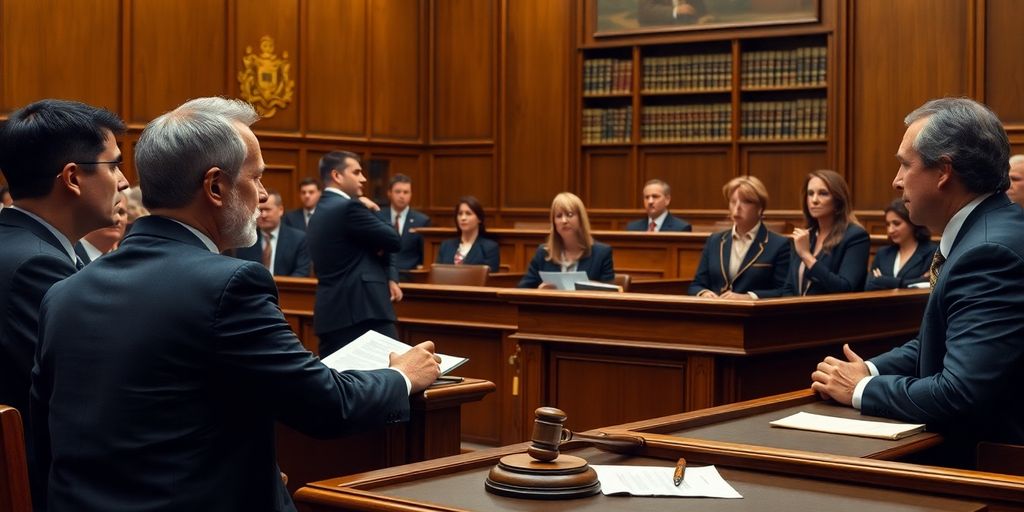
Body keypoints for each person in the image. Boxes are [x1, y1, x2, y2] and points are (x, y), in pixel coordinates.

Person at [30, 97, 441, 512]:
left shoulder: (64, 293)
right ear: (215, 186)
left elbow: (45, 440)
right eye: (257, 178)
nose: (262, 195)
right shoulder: (228, 285)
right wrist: (401, 376)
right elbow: (326, 404)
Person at [811, 97, 1024, 461]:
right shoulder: (991, 230)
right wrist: (871, 368)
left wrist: (863, 388)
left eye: (905, 166)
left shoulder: (988, 252)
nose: (896, 182)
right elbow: (942, 340)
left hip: (988, 467)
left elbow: (959, 393)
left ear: (943, 172)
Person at [0, 99, 129, 508]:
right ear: (72, 178)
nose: (125, 182)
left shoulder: (24, 246)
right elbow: (87, 398)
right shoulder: (34, 266)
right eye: (114, 165)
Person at [307, 151, 403, 356]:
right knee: (401, 375)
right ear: (337, 176)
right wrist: (373, 210)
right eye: (357, 172)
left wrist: (389, 275)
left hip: (332, 313)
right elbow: (393, 240)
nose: (363, 178)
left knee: (339, 383)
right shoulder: (350, 207)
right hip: (364, 311)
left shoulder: (318, 211)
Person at [689, 176, 790, 299]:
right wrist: (704, 293)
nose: (737, 207)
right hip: (716, 312)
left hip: (755, 315)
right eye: (733, 201)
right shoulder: (715, 241)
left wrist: (748, 297)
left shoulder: (778, 244)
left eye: (746, 202)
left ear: (760, 208)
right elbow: (696, 285)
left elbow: (784, 291)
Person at [784, 169, 869, 295]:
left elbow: (845, 288)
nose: (814, 200)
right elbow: (789, 287)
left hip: (833, 313)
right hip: (797, 312)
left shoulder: (856, 236)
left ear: (838, 201)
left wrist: (807, 256)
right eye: (810, 193)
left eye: (823, 193)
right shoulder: (806, 236)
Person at [518, 192, 614, 288]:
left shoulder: (601, 254)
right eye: (559, 216)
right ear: (554, 223)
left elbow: (610, 294)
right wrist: (539, 291)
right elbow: (522, 290)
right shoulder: (544, 253)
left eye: (570, 214)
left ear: (581, 219)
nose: (564, 221)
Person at [234, 189, 311, 276]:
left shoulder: (298, 239)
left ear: (281, 210)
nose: (263, 215)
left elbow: (302, 272)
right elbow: (240, 272)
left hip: (287, 288)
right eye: (259, 210)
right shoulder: (246, 240)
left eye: (267, 209)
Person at [863, 199, 936, 290]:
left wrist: (884, 281)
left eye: (896, 224)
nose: (890, 230)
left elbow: (927, 284)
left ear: (912, 222)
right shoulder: (883, 253)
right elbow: (869, 286)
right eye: (888, 224)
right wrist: (910, 282)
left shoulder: (931, 253)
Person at [376, 174, 431, 272]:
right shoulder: (379, 216)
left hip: (410, 275)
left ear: (411, 194)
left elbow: (425, 255)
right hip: (382, 273)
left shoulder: (422, 221)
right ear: (389, 193)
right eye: (398, 192)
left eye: (406, 192)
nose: (402, 196)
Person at [436, 196, 500, 272]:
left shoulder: (489, 248)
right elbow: (438, 273)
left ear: (479, 219)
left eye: (468, 214)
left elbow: (490, 278)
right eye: (460, 214)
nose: (463, 218)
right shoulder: (446, 246)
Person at [75, 191, 128, 265]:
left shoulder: (128, 262)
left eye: (121, 212)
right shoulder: (67, 256)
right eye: (109, 210)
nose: (117, 218)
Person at [625, 179, 692, 232]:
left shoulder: (681, 228)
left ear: (667, 200)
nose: (650, 201)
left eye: (655, 196)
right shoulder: (632, 228)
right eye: (647, 197)